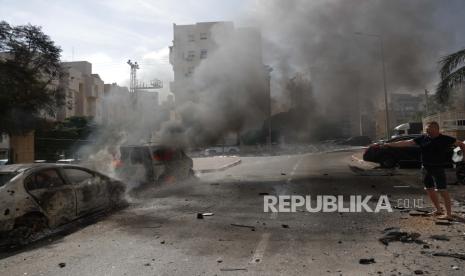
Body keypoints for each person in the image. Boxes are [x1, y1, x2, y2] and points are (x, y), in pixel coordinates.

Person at [383, 121, 465, 220]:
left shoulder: (445, 139)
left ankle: (449, 214)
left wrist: (462, 157)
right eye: (426, 130)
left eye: (429, 130)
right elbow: (407, 143)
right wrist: (389, 144)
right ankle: (438, 210)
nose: (427, 132)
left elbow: (461, 144)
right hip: (425, 168)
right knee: (429, 189)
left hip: (438, 168)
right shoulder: (423, 138)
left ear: (436, 129)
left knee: (442, 190)